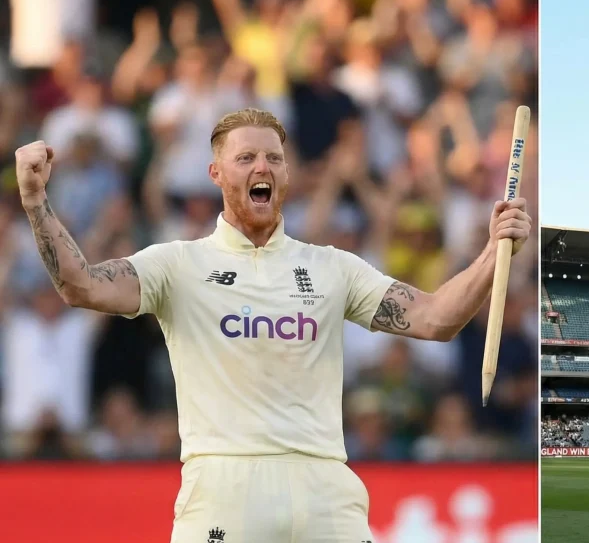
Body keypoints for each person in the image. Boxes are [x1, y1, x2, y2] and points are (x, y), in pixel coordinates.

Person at [12, 108, 533, 542]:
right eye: (245, 157)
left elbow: (436, 319)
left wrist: (493, 251)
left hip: (324, 488)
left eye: (273, 158)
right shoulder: (176, 264)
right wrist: (36, 202)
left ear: (286, 175)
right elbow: (79, 285)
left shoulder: (333, 266)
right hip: (224, 487)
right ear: (216, 173)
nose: (262, 166)